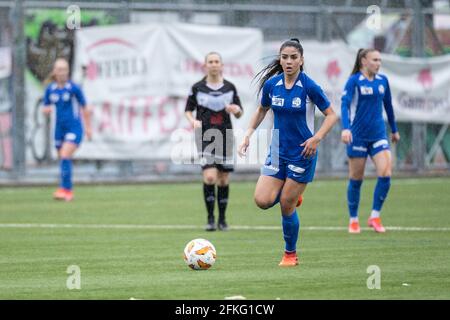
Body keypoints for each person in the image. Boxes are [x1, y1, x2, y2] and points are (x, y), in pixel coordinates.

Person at [238, 39, 337, 267]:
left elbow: (331, 115)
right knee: (262, 201)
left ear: (301, 60)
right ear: (280, 59)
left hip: (302, 154)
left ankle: (290, 254)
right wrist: (248, 134)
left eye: (294, 57)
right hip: (277, 152)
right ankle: (292, 193)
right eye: (285, 57)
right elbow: (262, 109)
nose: (289, 61)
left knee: (285, 204)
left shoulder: (310, 86)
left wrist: (316, 138)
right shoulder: (272, 85)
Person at [341, 48, 400, 234]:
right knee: (356, 178)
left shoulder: (383, 81)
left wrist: (395, 130)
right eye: (375, 60)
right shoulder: (354, 81)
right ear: (364, 61)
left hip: (378, 135)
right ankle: (353, 219)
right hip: (357, 136)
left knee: (386, 172)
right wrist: (345, 128)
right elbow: (344, 105)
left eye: (380, 60)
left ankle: (374, 215)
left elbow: (388, 105)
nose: (378, 63)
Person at [185, 52, 243, 231]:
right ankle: (210, 219)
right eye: (210, 61)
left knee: (223, 179)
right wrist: (192, 121)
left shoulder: (230, 87)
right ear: (205, 65)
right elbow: (188, 110)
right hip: (205, 137)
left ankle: (222, 220)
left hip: (225, 136)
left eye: (217, 61)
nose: (214, 64)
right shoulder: (197, 87)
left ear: (222, 65)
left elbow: (240, 113)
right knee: (210, 177)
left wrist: (236, 110)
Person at [42, 58, 92, 201]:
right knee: (63, 159)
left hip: (74, 128)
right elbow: (46, 106)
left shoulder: (74, 88)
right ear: (54, 71)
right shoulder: (50, 89)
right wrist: (46, 111)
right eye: (59, 69)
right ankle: (64, 188)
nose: (62, 72)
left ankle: (67, 191)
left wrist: (88, 128)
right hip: (59, 129)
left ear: (68, 71)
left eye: (64, 69)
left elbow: (85, 107)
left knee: (65, 155)